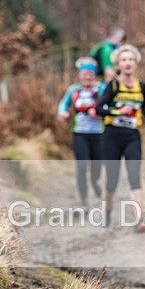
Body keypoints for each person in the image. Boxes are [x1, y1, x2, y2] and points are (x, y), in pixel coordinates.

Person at [93, 45, 145, 231]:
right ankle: (107, 209)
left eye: (131, 60)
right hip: (111, 136)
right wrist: (118, 111)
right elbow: (99, 109)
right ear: (118, 64)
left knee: (134, 176)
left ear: (136, 63)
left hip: (132, 136)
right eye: (124, 60)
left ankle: (138, 219)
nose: (128, 63)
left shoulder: (141, 86)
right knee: (112, 180)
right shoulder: (113, 86)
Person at [57, 57, 107, 207]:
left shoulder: (101, 89)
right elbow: (63, 104)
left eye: (90, 74)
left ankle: (95, 182)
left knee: (96, 166)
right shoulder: (74, 90)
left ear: (95, 75)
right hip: (80, 133)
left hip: (98, 133)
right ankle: (83, 200)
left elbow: (109, 106)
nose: (88, 77)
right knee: (81, 166)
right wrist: (63, 113)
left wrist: (99, 113)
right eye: (85, 74)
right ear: (80, 75)